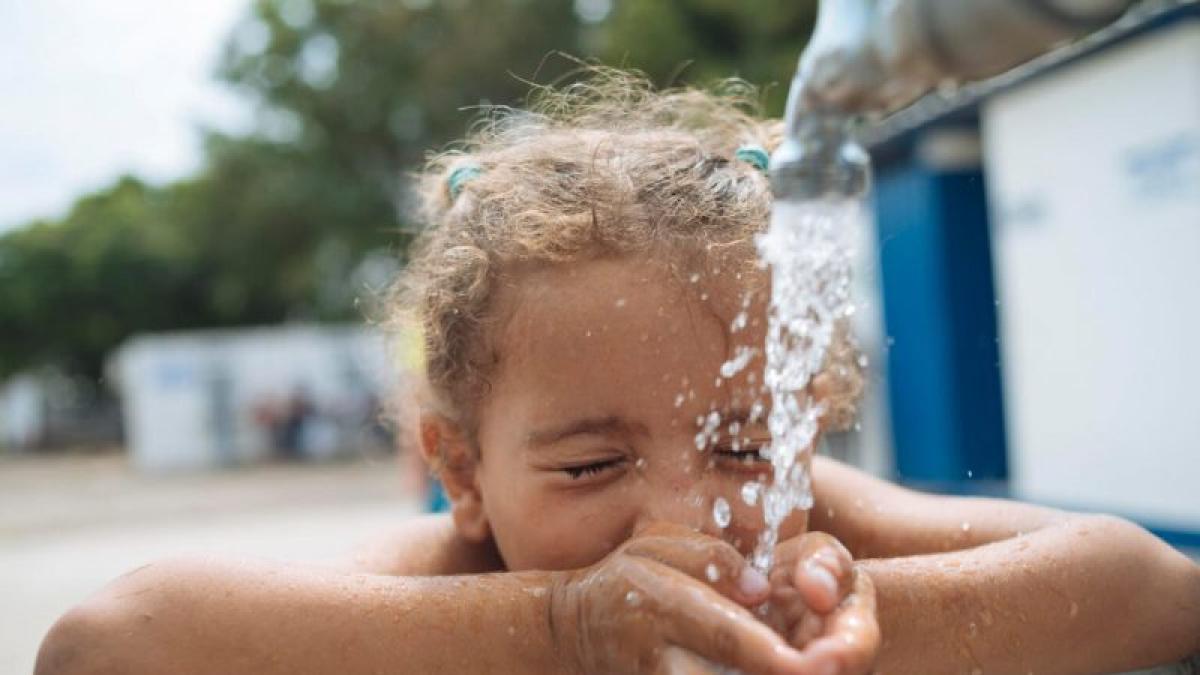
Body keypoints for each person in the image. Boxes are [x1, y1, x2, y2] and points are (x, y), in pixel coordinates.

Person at [37, 70, 1200, 675]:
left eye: (746, 446)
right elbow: (113, 644)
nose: (690, 516)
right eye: (593, 462)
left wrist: (867, 626)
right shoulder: (450, 570)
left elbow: (1150, 585)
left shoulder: (819, 532)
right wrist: (561, 634)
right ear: (464, 470)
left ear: (808, 424)